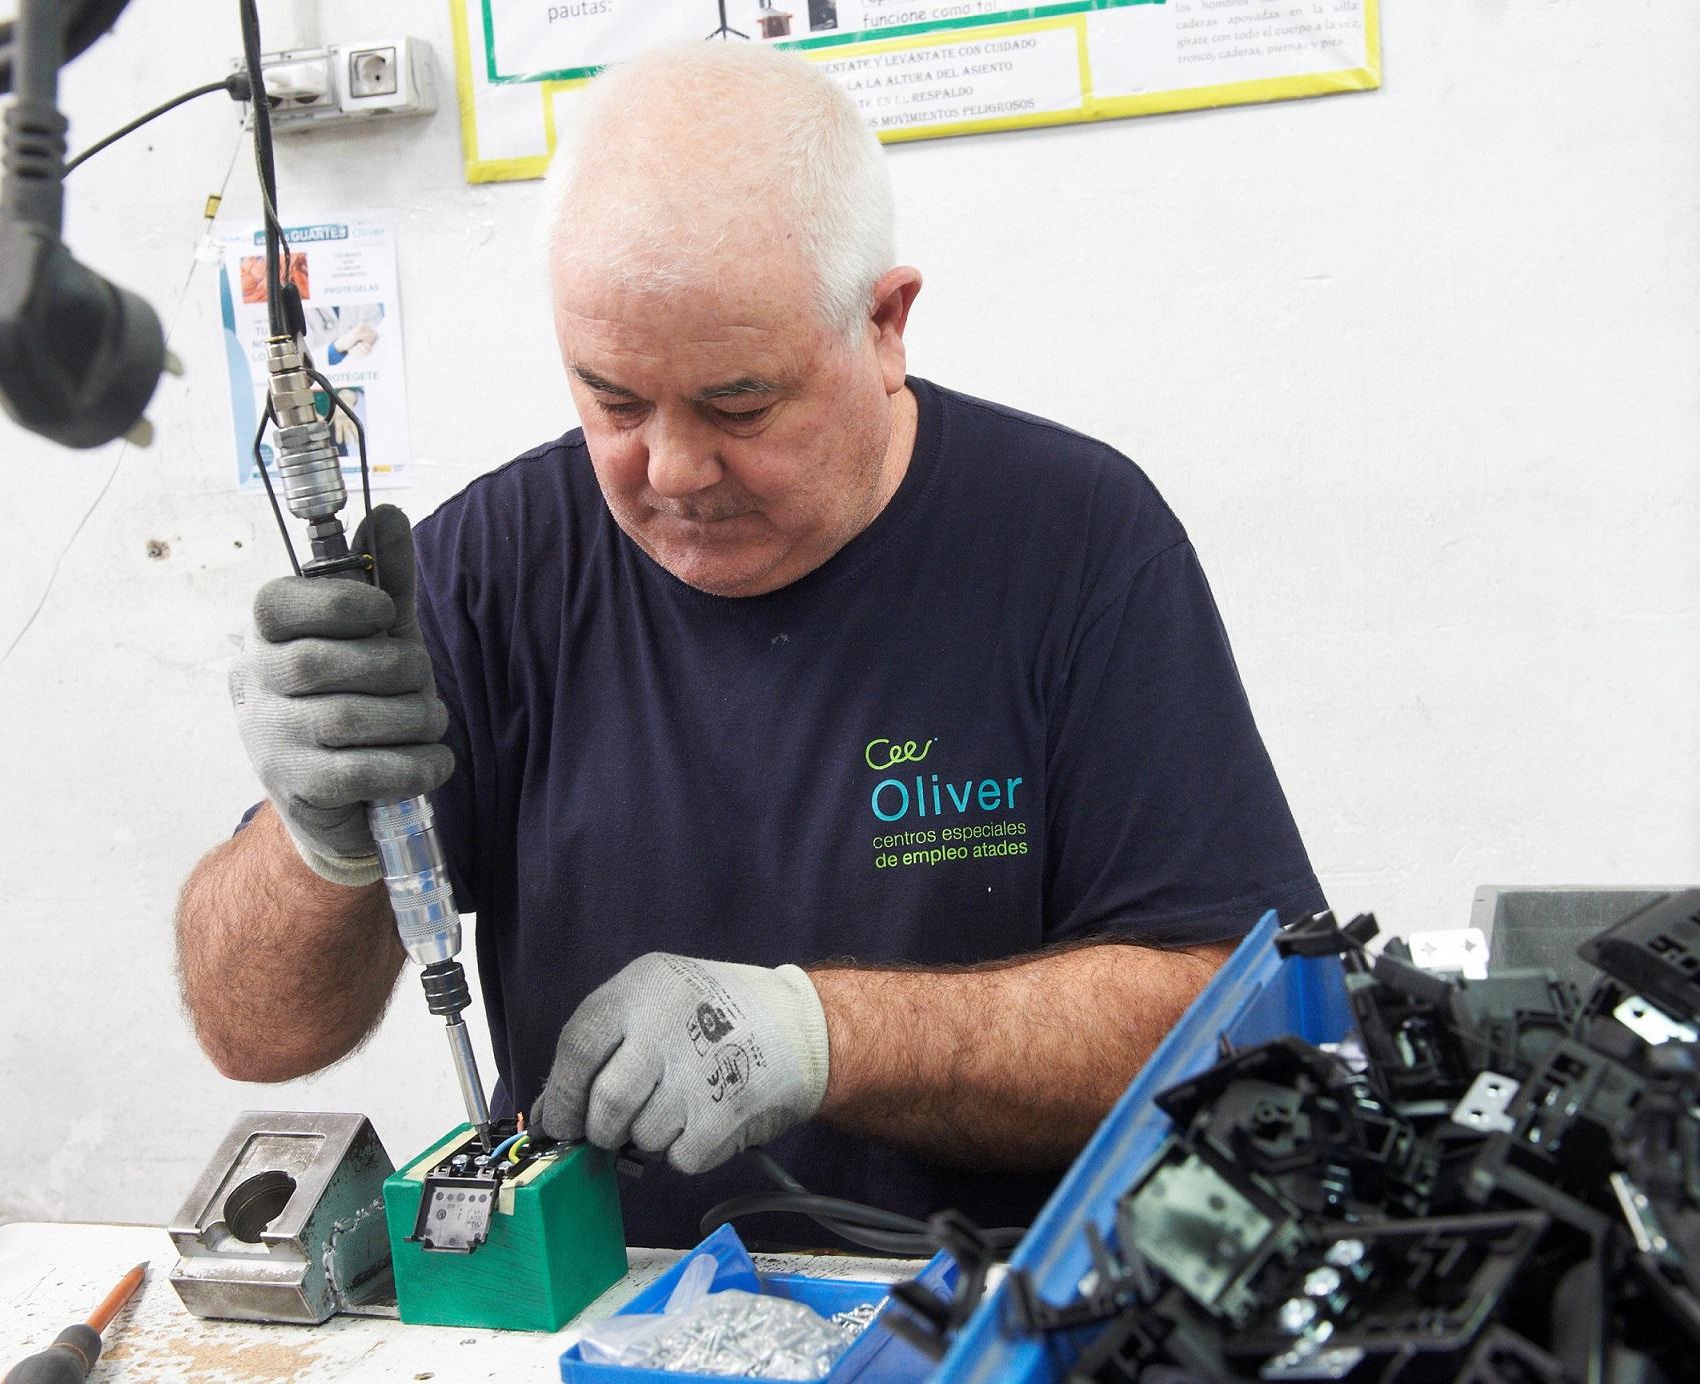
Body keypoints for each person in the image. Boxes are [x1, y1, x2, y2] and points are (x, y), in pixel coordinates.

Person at [176, 42, 1325, 1250]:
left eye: (739, 404)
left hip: (979, 1315)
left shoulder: (1074, 540)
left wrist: (819, 1036)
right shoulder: (492, 567)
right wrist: (322, 844)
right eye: (613, 400)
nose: (671, 473)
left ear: (883, 325)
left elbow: (1241, 1014)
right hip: (604, 1309)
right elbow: (254, 1033)